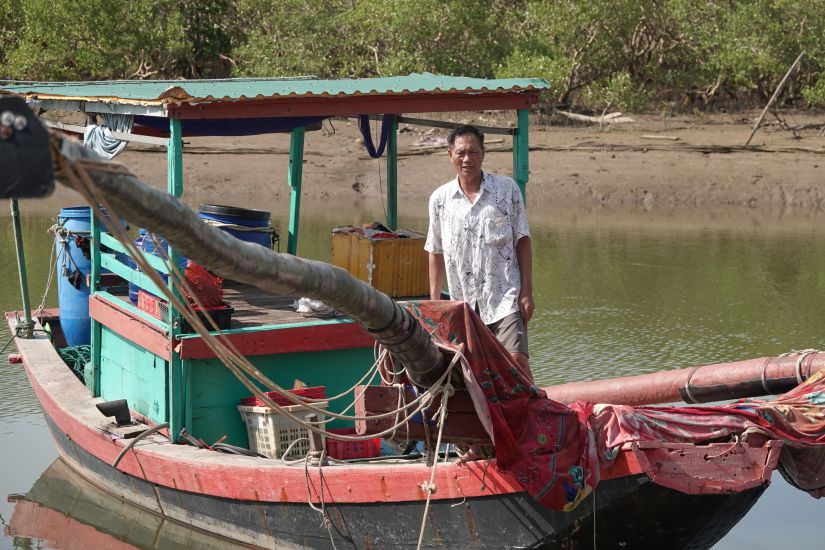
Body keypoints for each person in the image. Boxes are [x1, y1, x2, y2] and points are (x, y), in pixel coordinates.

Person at [424, 124, 534, 382]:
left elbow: (523, 239)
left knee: (516, 361)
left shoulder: (507, 190)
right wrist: (435, 304)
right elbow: (435, 250)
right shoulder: (440, 199)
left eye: (473, 152)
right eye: (460, 152)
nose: (467, 159)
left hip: (505, 297)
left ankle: (537, 412)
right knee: (473, 374)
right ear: (450, 154)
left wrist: (527, 291)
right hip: (463, 303)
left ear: (483, 154)